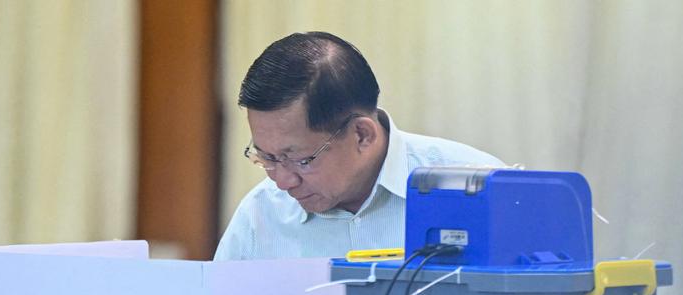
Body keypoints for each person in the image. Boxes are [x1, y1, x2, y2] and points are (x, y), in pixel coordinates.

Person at [214, 31, 503, 261]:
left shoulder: (480, 190)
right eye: (267, 157)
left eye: (301, 160)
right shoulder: (261, 214)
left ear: (362, 135)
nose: (282, 182)